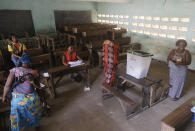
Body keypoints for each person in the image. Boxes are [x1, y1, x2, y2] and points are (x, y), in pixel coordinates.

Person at [2, 53, 42, 131]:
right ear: (30, 62)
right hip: (31, 100)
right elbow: (38, 86)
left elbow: (7, 85)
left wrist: (4, 96)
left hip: (17, 99)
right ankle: (36, 125)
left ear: (21, 62)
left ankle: (17, 129)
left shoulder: (15, 70)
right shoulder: (34, 72)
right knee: (33, 112)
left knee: (16, 115)